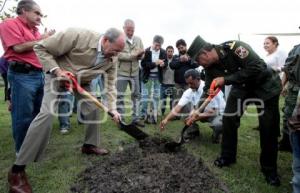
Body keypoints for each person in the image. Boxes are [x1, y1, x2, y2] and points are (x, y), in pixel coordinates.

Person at [7, 27, 125, 193]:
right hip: (57, 76)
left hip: (82, 83)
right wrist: (57, 71)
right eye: (115, 50)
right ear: (106, 40)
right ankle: (17, 171)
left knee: (93, 110)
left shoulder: (113, 58)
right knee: (47, 114)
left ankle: (89, 145)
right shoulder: (77, 35)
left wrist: (113, 109)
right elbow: (40, 47)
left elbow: (110, 85)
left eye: (119, 52)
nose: (116, 55)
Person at [187, 35, 282, 186]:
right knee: (229, 119)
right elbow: (208, 90)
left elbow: (256, 66)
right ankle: (228, 156)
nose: (200, 65)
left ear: (204, 54)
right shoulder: (209, 67)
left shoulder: (235, 47)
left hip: (265, 86)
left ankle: (269, 169)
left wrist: (226, 79)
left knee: (268, 127)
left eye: (199, 61)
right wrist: (197, 110)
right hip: (241, 88)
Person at [0, 0, 55, 154]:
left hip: (39, 75)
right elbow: (18, 47)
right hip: (22, 75)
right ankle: (22, 150)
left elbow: (42, 49)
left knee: (38, 113)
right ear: (24, 11)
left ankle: (35, 146)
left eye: (41, 14)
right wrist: (43, 38)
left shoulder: (36, 30)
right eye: (37, 13)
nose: (40, 16)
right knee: (22, 115)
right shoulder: (9, 23)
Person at [160, 69, 225, 143]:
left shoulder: (209, 88)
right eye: (188, 84)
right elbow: (178, 107)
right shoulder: (190, 91)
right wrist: (166, 119)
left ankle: (218, 135)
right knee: (183, 105)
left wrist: (194, 117)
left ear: (198, 79)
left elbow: (213, 112)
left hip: (218, 114)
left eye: (191, 83)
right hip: (202, 112)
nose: (190, 86)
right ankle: (193, 131)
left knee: (219, 124)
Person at [116, 19, 144, 127]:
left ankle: (136, 119)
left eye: (132, 30)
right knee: (120, 97)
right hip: (122, 72)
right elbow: (119, 55)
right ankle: (120, 120)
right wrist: (133, 55)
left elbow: (142, 54)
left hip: (135, 72)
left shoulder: (138, 39)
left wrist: (141, 55)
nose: (130, 32)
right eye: (128, 30)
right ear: (123, 28)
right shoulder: (119, 39)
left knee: (136, 95)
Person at [140, 35, 166, 124]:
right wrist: (155, 63)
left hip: (157, 78)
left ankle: (153, 115)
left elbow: (165, 62)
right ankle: (143, 114)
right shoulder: (146, 51)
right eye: (156, 45)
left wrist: (163, 64)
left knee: (156, 97)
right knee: (145, 96)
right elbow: (143, 64)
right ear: (153, 42)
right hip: (147, 77)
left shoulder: (163, 52)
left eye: (160, 45)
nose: (158, 47)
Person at [169, 39, 199, 116]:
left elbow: (196, 64)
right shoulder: (176, 57)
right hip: (178, 83)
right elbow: (172, 65)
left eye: (182, 47)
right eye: (178, 48)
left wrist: (188, 60)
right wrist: (180, 60)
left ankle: (188, 115)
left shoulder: (191, 55)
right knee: (176, 100)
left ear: (185, 46)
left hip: (188, 83)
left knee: (189, 100)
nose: (180, 49)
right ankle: (175, 115)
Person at [160, 45, 176, 116]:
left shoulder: (176, 60)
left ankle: (172, 114)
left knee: (172, 100)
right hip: (164, 84)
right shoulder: (163, 60)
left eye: (171, 51)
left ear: (173, 52)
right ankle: (162, 113)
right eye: (168, 51)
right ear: (166, 52)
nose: (170, 53)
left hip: (173, 84)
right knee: (163, 100)